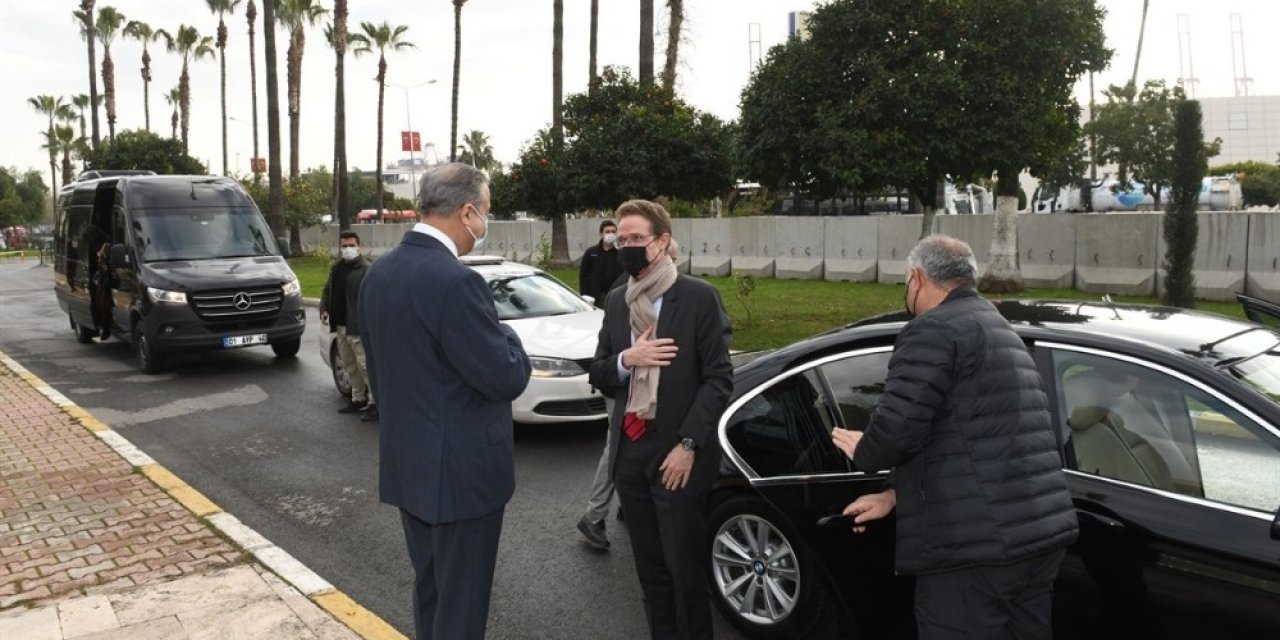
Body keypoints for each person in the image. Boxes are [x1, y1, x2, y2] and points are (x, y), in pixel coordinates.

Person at [831, 234, 1078, 640]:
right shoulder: (1000, 328)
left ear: (916, 277)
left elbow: (898, 430)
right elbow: (970, 435)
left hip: (974, 549)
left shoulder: (931, 331)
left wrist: (867, 449)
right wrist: (894, 493)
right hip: (1037, 534)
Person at [359, 163, 531, 640]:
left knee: (432, 591)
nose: (484, 224)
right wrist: (510, 335)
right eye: (487, 212)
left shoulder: (380, 272)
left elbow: (380, 372)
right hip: (461, 477)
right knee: (462, 605)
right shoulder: (456, 282)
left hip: (409, 466)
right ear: (468, 211)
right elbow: (505, 377)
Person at [589, 200, 732, 640]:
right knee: (651, 574)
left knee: (684, 572)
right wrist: (627, 360)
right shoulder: (617, 300)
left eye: (637, 239)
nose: (627, 246)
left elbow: (718, 378)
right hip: (630, 454)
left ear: (663, 241)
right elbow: (597, 370)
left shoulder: (698, 297)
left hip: (677, 457)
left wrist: (688, 445)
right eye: (622, 239)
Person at [577, 238, 681, 550]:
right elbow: (603, 359)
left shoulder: (680, 294)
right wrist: (629, 359)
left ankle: (628, 499)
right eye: (672, 259)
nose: (674, 266)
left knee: (631, 447)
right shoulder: (625, 293)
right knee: (616, 446)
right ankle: (594, 516)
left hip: (647, 393)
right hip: (621, 389)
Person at [320, 231, 375, 421]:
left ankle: (375, 403)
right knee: (350, 366)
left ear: (359, 246)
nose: (348, 249)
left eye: (351, 245)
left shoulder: (366, 269)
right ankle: (358, 398)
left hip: (358, 327)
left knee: (366, 366)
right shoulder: (336, 268)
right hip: (341, 326)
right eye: (344, 246)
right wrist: (323, 308)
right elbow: (327, 290)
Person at [578, 219, 624, 309]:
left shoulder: (620, 253)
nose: (610, 234)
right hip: (595, 297)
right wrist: (584, 296)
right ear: (601, 234)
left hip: (615, 295)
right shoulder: (591, 252)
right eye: (607, 232)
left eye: (613, 232)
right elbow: (583, 275)